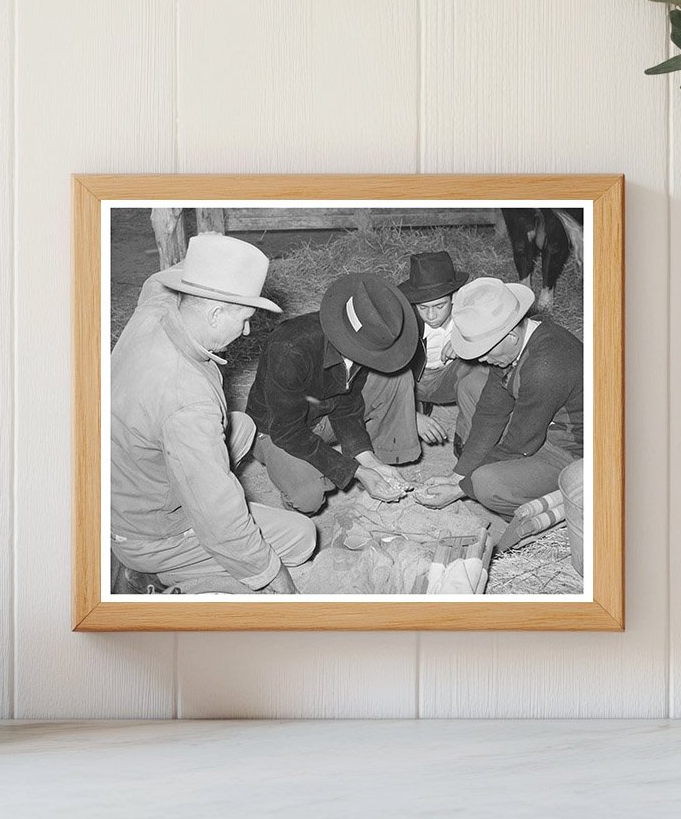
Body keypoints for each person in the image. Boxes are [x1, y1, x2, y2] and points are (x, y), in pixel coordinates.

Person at [110, 233, 317, 595]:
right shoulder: (186, 398)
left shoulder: (156, 306)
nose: (248, 330)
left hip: (122, 477)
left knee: (243, 427)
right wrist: (270, 573)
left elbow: (158, 279)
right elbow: (216, 509)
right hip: (148, 532)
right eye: (245, 319)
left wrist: (213, 251)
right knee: (301, 538)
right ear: (216, 313)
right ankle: (164, 578)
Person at [246, 272, 421, 515]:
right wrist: (353, 471)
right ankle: (295, 488)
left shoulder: (363, 346)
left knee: (396, 377)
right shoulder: (290, 347)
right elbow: (286, 430)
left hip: (320, 415)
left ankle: (381, 466)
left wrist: (369, 461)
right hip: (274, 430)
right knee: (308, 496)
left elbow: (347, 406)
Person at [416, 276, 583, 517]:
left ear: (511, 337)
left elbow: (520, 443)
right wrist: (457, 475)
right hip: (546, 424)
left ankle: (562, 512)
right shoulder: (517, 339)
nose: (481, 359)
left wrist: (462, 489)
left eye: (484, 352)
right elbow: (491, 411)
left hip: (575, 450)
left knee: (487, 484)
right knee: (474, 387)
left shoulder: (545, 365)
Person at [397, 251, 487, 451]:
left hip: (447, 377)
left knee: (478, 371)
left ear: (454, 297)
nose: (431, 315)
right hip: (413, 382)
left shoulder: (471, 313)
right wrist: (407, 410)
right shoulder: (402, 319)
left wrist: (465, 342)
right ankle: (417, 404)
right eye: (423, 307)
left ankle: (466, 438)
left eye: (439, 306)